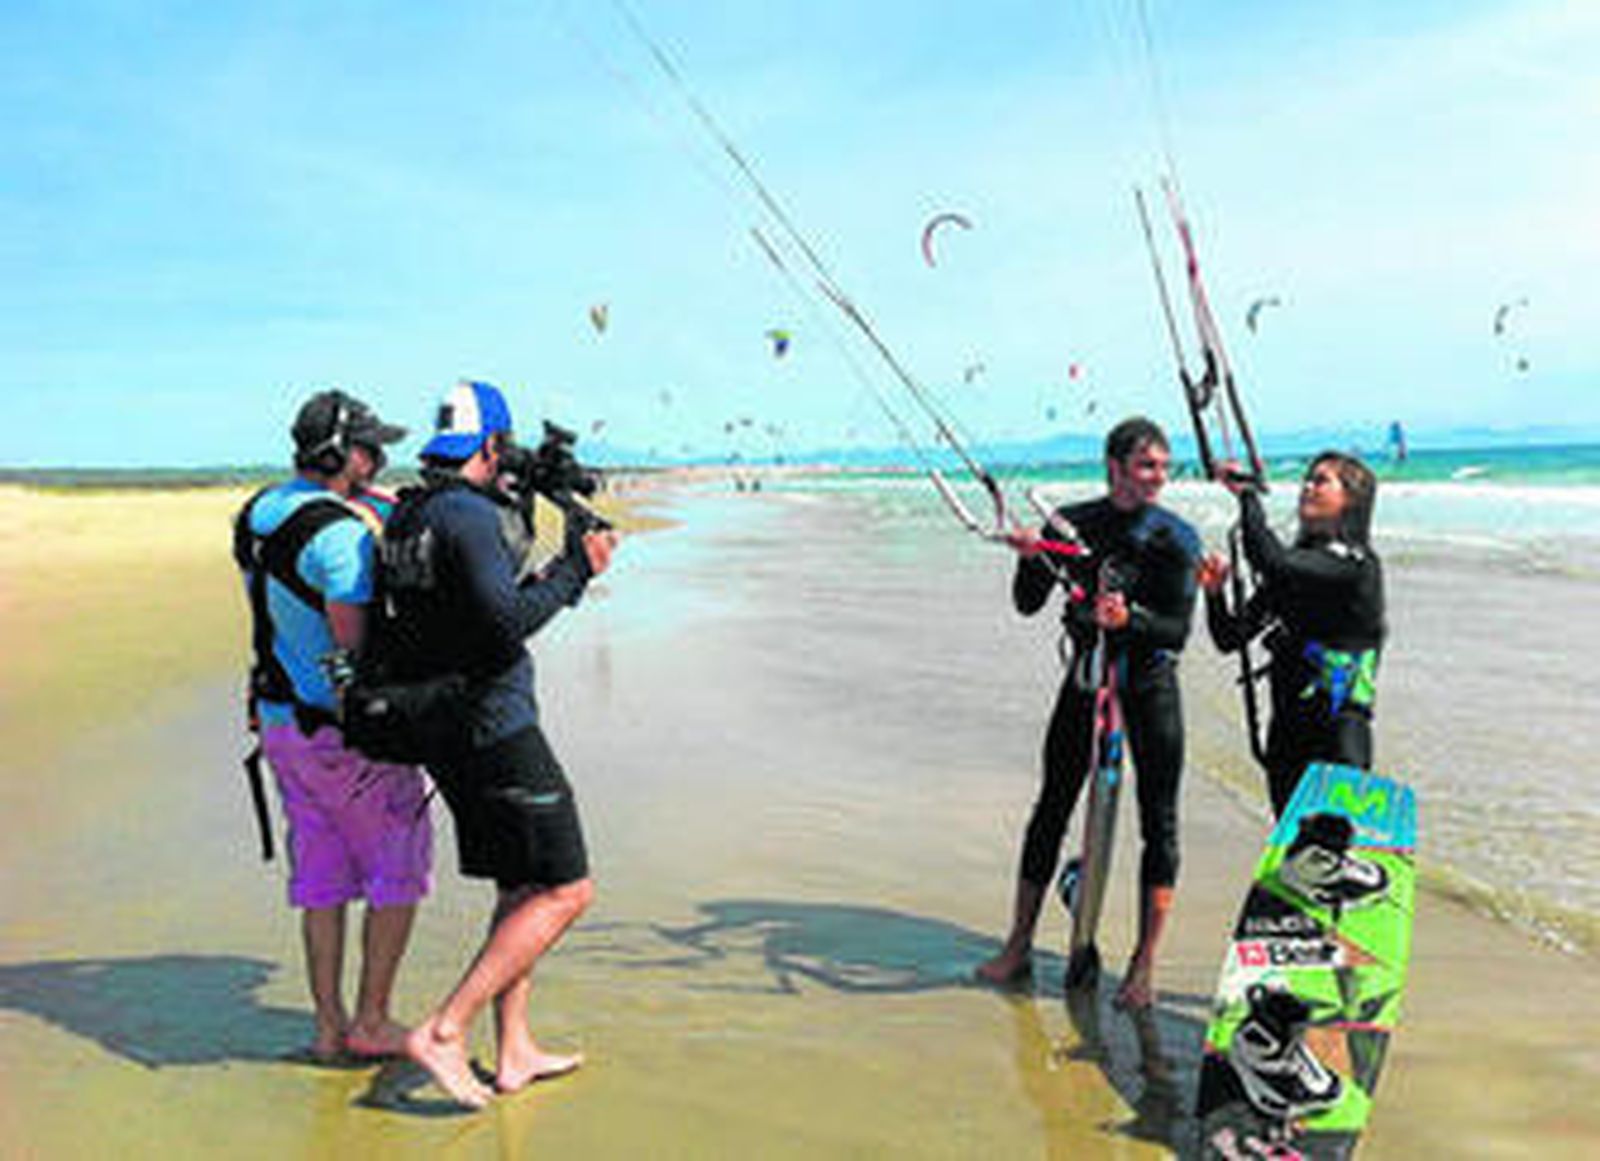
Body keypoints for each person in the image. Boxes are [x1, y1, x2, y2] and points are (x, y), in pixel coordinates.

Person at [385, 380, 618, 1109]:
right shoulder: (466, 517)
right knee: (566, 889)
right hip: (494, 729)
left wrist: (550, 545)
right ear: (491, 446)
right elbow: (504, 621)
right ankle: (446, 1030)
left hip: (447, 726)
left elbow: (472, 604)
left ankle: (513, 1048)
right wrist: (577, 568)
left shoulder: (414, 511)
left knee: (520, 886)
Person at [233, 389, 432, 1063]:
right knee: (396, 867)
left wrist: (369, 503)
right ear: (343, 453)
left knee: (320, 874)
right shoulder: (341, 539)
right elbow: (352, 649)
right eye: (371, 448)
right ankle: (373, 1020)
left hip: (279, 721)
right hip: (337, 735)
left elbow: (289, 588)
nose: (380, 459)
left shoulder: (259, 510)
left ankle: (329, 1025)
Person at [977, 416, 1200, 1009]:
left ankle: (1143, 964)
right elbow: (1028, 604)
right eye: (1147, 465)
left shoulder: (1176, 537)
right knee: (1051, 806)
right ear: (1115, 467)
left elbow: (1178, 631)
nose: (1159, 477)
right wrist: (1028, 557)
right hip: (1084, 683)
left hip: (1149, 688)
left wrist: (1134, 621)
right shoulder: (1070, 523)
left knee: (1161, 823)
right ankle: (1018, 944)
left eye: (1163, 466)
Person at [1198, 452, 1385, 818]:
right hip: (1286, 734)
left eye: (1321, 480)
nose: (1307, 487)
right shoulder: (1297, 570)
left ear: (1352, 499)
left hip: (1339, 736)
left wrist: (1247, 496)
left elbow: (1271, 559)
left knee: (1328, 847)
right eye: (1307, 479)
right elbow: (1229, 638)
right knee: (1292, 852)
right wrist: (1214, 594)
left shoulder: (1355, 564)